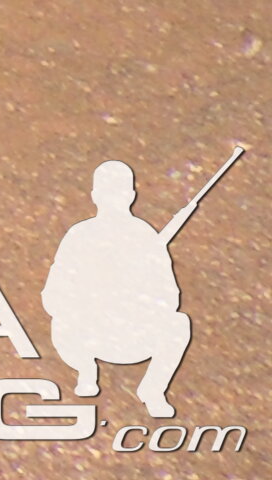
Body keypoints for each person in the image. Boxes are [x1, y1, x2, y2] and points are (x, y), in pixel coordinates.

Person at [43, 158, 198, 420]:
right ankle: (86, 370)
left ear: (130, 196)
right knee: (61, 322)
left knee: (178, 324)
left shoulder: (145, 237)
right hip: (86, 335)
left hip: (133, 335)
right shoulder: (79, 236)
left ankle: (153, 389)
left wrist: (135, 298)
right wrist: (89, 301)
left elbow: (170, 297)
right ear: (96, 196)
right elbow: (53, 296)